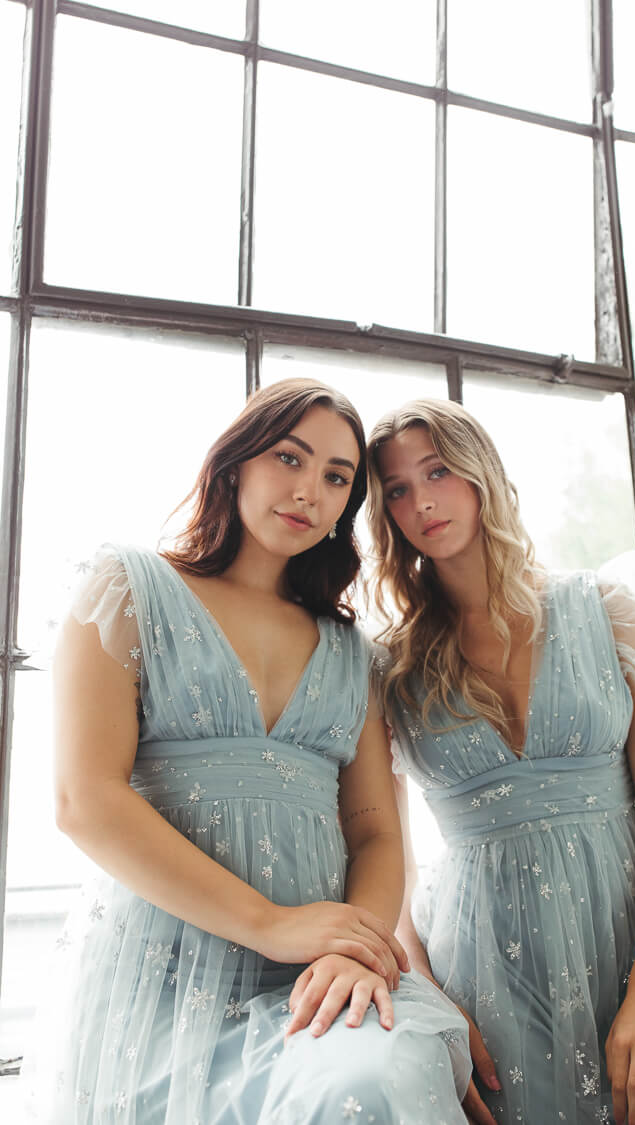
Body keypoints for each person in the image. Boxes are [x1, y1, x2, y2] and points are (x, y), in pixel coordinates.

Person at [26, 379, 471, 1124]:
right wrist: (271, 922)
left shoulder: (349, 649)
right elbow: (85, 801)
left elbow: (374, 829)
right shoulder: (129, 588)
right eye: (289, 458)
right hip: (161, 976)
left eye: (337, 477)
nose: (309, 492)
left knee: (378, 1078)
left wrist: (353, 948)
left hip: (315, 975)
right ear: (234, 464)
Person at [366, 397, 635, 1125]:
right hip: (485, 981)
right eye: (396, 489)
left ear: (481, 471)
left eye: (438, 471)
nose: (422, 502)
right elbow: (389, 860)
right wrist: (430, 1000)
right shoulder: (389, 668)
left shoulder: (606, 610)